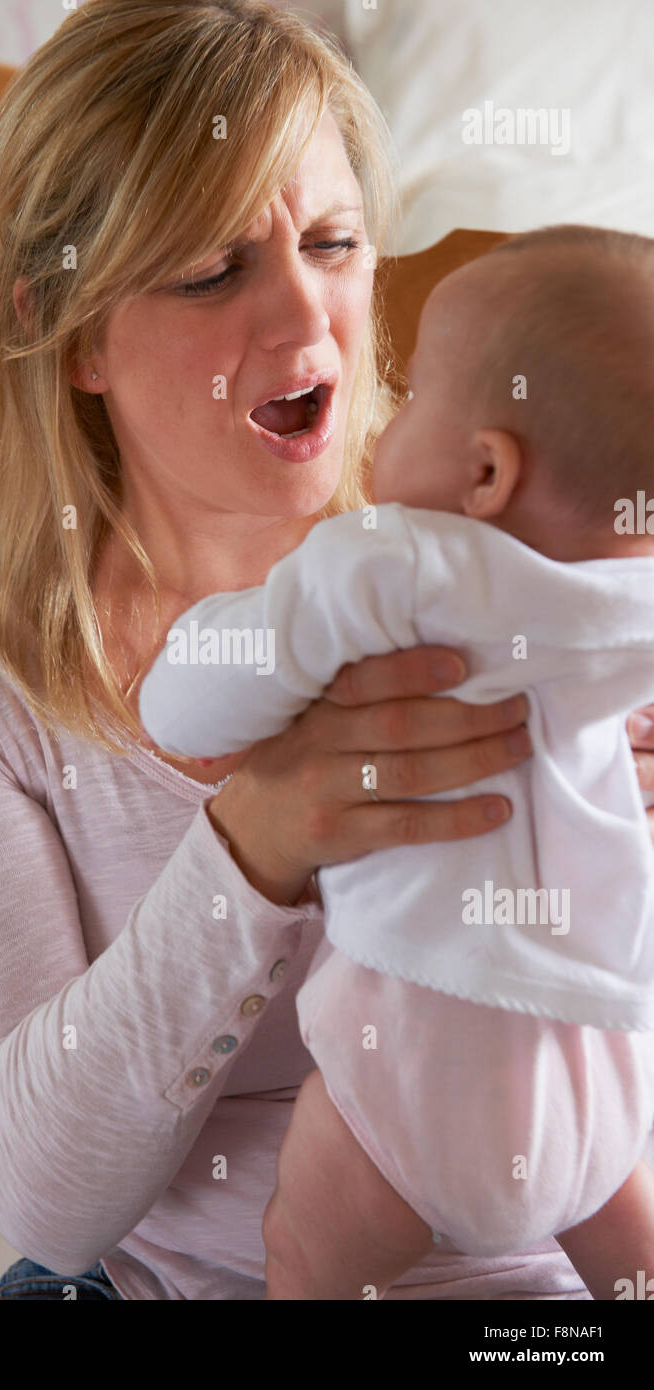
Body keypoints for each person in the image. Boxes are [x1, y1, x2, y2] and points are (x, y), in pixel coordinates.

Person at [0, 0, 654, 1301]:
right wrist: (257, 842)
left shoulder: (533, 567)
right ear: (74, 330)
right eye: (212, 270)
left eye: (331, 242)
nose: (308, 321)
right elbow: (48, 1196)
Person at [139, 223, 654, 1299]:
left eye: (416, 397)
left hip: (412, 1059)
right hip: (597, 1074)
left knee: (309, 1258)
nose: (389, 410)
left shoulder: (393, 564)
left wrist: (184, 683)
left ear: (482, 470)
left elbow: (196, 698)